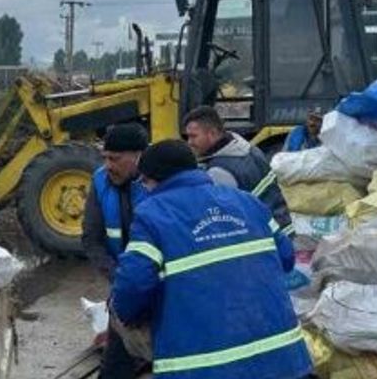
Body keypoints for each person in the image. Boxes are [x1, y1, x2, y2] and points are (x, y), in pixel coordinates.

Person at [111, 140, 312, 379]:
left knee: (115, 308)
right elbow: (287, 258)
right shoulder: (247, 202)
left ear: (153, 179)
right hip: (283, 358)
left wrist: (129, 314)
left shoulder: (153, 214)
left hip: (201, 367)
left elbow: (132, 285)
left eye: (143, 181)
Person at [81, 123, 149, 379]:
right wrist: (118, 277)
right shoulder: (100, 181)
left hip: (160, 290)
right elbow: (91, 238)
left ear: (138, 156)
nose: (108, 165)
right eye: (105, 158)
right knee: (114, 368)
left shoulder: (156, 182)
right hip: (124, 288)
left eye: (115, 159)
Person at [183, 106, 292, 236]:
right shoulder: (250, 150)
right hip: (284, 227)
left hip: (266, 236)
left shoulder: (218, 172)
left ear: (212, 133)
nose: (189, 142)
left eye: (193, 136)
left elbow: (223, 221)